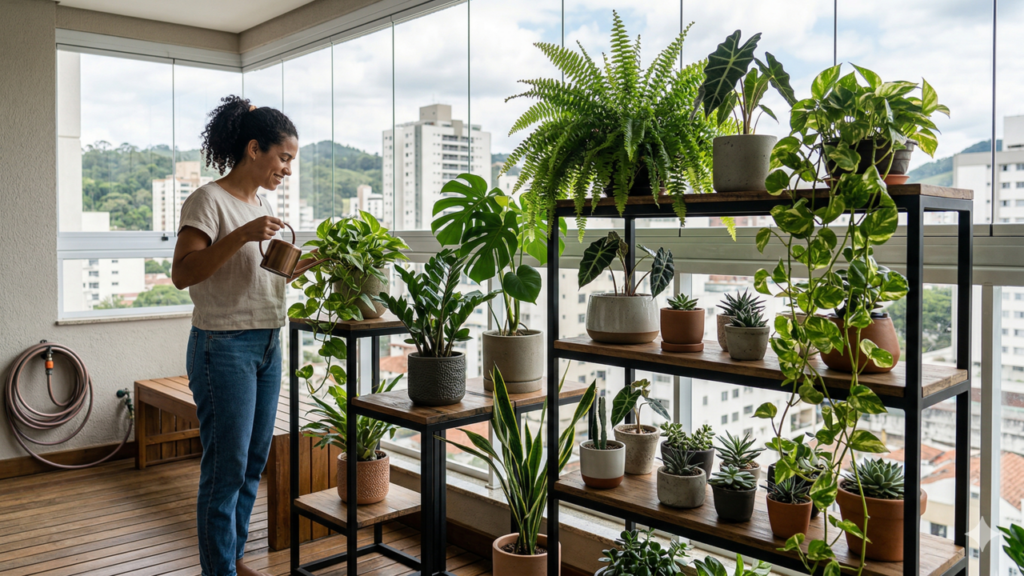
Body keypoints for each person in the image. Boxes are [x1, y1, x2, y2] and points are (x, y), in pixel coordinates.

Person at [171, 95, 316, 576]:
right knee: (226, 471)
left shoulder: (261, 202)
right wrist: (243, 234)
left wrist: (309, 262)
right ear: (255, 149)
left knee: (253, 465)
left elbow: (262, 273)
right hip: (224, 347)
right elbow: (183, 273)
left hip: (269, 343)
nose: (287, 170)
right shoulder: (208, 200)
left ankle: (228, 562)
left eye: (291, 161)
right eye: (284, 158)